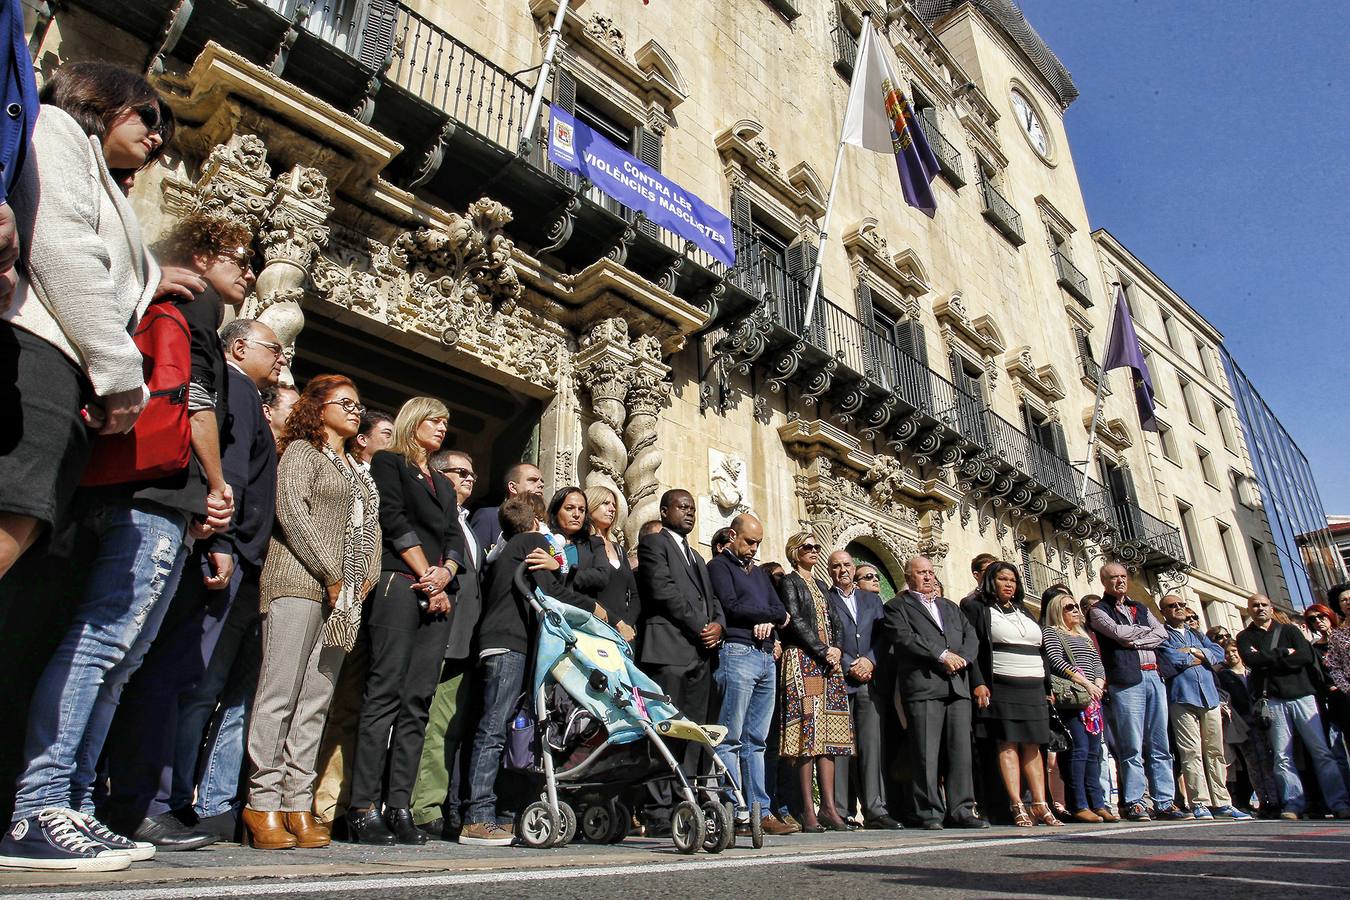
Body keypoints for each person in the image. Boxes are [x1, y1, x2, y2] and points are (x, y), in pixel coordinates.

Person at [100, 316, 282, 849]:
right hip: (221, 551)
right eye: (274, 349)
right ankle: (151, 802)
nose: (281, 359)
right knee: (175, 675)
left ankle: (152, 799)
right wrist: (225, 544)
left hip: (226, 551)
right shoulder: (240, 392)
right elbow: (234, 472)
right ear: (240, 345)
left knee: (177, 676)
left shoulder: (243, 390)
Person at [241, 375, 381, 851]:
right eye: (345, 402)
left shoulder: (358, 470)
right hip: (298, 583)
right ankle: (262, 803)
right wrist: (329, 570)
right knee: (279, 695)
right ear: (317, 408)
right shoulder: (302, 451)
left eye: (359, 404)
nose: (355, 410)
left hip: (343, 603)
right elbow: (291, 511)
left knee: (315, 702)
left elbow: (373, 530)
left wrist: (368, 576)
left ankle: (298, 802)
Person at [346, 398, 465, 845]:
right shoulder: (390, 464)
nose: (441, 427)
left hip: (437, 592)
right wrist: (426, 576)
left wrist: (445, 575)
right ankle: (362, 806)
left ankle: (399, 805)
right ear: (413, 419)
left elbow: (454, 537)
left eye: (446, 421)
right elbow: (392, 518)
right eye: (435, 419)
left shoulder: (443, 484)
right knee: (384, 694)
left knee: (418, 700)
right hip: (400, 581)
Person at [459, 495, 601, 845]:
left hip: (500, 642)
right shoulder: (533, 541)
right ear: (539, 518)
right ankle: (477, 817)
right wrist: (598, 611)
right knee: (494, 728)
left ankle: (499, 811)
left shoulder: (507, 549)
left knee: (502, 727)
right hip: (510, 644)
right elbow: (552, 593)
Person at [635, 489, 725, 833]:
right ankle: (658, 810)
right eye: (682, 507)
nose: (689, 513)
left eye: (692, 508)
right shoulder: (655, 545)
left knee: (693, 733)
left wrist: (719, 625)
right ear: (664, 510)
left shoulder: (698, 557)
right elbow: (662, 590)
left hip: (700, 655)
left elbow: (713, 598)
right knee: (666, 730)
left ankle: (685, 800)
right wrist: (699, 624)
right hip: (668, 651)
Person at [408, 450, 484, 841]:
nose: (470, 479)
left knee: (445, 726)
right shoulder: (434, 514)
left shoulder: (468, 525)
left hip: (464, 638)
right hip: (433, 624)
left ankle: (430, 804)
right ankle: (414, 805)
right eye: (461, 472)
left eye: (472, 475)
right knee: (419, 717)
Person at [707, 514, 794, 836]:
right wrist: (768, 615)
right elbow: (730, 606)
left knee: (756, 740)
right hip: (738, 653)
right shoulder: (719, 566)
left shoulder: (758, 574)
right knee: (730, 737)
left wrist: (770, 620)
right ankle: (734, 808)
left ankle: (761, 809)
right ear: (732, 535)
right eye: (748, 542)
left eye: (758, 543)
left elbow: (783, 612)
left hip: (765, 657)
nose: (754, 549)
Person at [884, 556, 986, 830]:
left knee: (960, 751)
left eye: (930, 572)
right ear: (909, 576)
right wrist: (942, 656)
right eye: (921, 573)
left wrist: (961, 658)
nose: (928, 577)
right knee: (925, 752)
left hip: (957, 686)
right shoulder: (896, 607)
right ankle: (928, 811)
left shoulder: (950, 607)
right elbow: (905, 638)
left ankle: (962, 809)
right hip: (924, 685)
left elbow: (970, 636)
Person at [960, 562, 1058, 828]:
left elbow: (1041, 650)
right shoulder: (976, 607)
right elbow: (973, 648)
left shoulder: (1024, 610)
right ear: (991, 581)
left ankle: (1040, 804)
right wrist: (978, 683)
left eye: (1013, 580)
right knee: (1008, 744)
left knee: (1034, 745)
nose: (1009, 584)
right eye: (1003, 579)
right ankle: (1015, 803)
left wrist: (1048, 688)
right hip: (1002, 685)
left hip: (1033, 687)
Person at [1236, 593, 1350, 820]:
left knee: (1321, 752)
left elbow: (1305, 656)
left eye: (1264, 605)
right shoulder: (1244, 637)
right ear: (1249, 609)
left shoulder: (1289, 630)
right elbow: (1252, 661)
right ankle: (1293, 803)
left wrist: (1269, 658)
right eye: (1255, 605)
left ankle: (1339, 802)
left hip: (1303, 696)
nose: (1260, 608)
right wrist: (1285, 653)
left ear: (1271, 607)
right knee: (1282, 755)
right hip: (1273, 700)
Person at [1087, 563, 1185, 822]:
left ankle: (1164, 801)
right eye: (1113, 577)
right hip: (1127, 679)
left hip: (1154, 675)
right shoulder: (1098, 611)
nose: (1119, 581)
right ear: (1103, 581)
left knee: (1160, 743)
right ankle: (1135, 801)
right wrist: (1140, 635)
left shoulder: (1140, 607)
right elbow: (1118, 634)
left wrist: (1134, 638)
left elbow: (1162, 633)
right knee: (1131, 744)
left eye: (1122, 576)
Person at [775, 532, 851, 832]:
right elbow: (795, 618)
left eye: (817, 546)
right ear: (795, 551)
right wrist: (822, 650)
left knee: (829, 735)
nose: (813, 551)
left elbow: (836, 621)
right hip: (804, 661)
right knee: (809, 733)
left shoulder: (821, 585)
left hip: (828, 665)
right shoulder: (789, 582)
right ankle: (807, 809)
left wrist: (838, 649)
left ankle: (829, 808)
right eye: (807, 546)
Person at [1157, 595, 1252, 820]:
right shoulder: (1163, 635)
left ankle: (1222, 802)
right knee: (1191, 752)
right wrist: (1202, 656)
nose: (1179, 609)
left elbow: (1219, 654)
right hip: (1182, 698)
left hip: (1209, 697)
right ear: (1164, 611)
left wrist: (1190, 651)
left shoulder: (1197, 634)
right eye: (1173, 606)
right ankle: (1199, 802)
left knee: (1215, 750)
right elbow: (1170, 661)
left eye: (1182, 605)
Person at [825, 551, 894, 829]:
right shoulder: (825, 599)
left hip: (869, 678)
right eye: (836, 566)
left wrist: (870, 661)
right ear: (829, 570)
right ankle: (840, 810)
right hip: (839, 678)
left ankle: (876, 809)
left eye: (846, 564)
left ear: (854, 569)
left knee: (871, 743)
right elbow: (825, 635)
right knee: (840, 746)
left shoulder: (872, 599)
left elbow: (883, 635)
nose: (842, 569)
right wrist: (847, 663)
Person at [1041, 591, 1113, 823]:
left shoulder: (1083, 636)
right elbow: (1056, 660)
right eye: (1069, 607)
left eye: (1076, 607)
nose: (1075, 610)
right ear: (1056, 611)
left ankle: (1097, 803)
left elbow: (1097, 664)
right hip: (1072, 699)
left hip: (1092, 699)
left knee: (1094, 752)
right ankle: (1078, 804)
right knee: (1078, 750)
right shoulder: (1052, 633)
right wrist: (1085, 683)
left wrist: (1098, 685)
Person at [1216, 642, 1280, 814]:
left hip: (1262, 722)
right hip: (1242, 724)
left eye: (1234, 651)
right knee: (1253, 764)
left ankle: (1276, 799)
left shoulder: (1253, 673)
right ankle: (1264, 801)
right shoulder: (1223, 676)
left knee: (1268, 761)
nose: (1231, 655)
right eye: (1227, 653)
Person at [586, 485, 639, 645]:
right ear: (591, 504)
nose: (612, 509)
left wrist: (627, 624)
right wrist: (617, 623)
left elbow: (634, 594)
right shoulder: (583, 545)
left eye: (614, 505)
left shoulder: (619, 549)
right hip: (595, 627)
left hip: (624, 634)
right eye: (606, 503)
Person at [548, 486, 611, 604]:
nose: (576, 514)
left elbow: (602, 576)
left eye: (582, 510)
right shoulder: (545, 540)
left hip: (583, 611)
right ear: (556, 511)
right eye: (569, 508)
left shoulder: (594, 544)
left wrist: (563, 576)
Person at [469, 462, 545, 558]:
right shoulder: (489, 516)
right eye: (533, 480)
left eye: (542, 481)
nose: (540, 484)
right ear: (513, 487)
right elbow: (476, 561)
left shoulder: (542, 523)